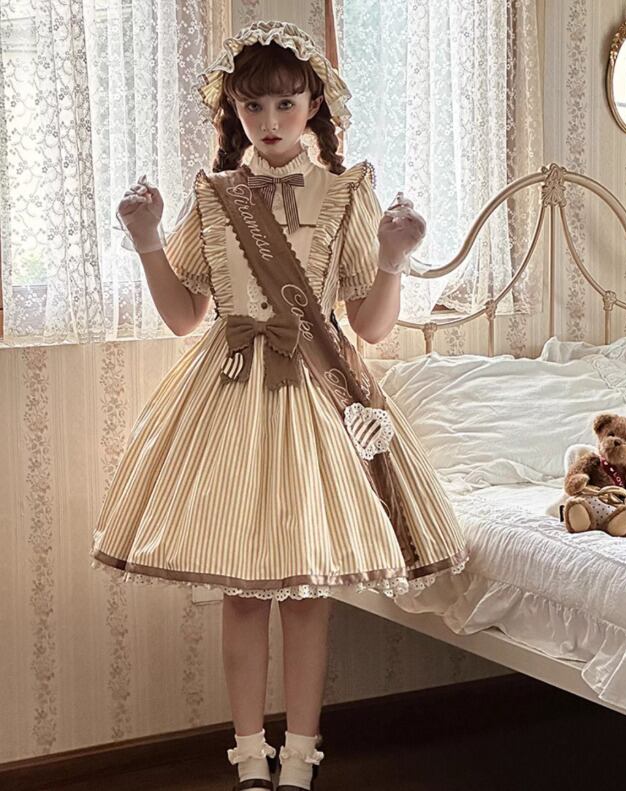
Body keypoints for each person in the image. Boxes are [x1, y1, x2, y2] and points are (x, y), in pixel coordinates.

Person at [90, 19, 470, 791]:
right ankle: (248, 756)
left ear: (314, 105)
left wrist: (392, 259)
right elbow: (184, 317)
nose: (269, 122)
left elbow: (368, 328)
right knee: (241, 590)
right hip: (230, 394)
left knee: (306, 592)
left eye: (286, 104)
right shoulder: (215, 196)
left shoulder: (346, 193)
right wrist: (147, 239)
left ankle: (300, 755)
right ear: (233, 109)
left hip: (317, 397)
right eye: (253, 106)